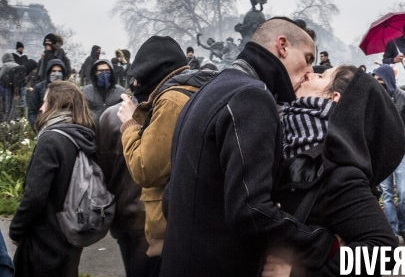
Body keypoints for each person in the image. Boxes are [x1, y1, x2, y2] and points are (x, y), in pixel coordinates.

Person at [161, 18, 337, 276]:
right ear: (283, 46)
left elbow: (170, 197)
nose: (311, 71)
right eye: (308, 58)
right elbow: (251, 211)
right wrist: (323, 244)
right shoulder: (252, 96)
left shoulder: (209, 90)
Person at [264, 66, 403, 276]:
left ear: (334, 97)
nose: (309, 73)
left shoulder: (338, 169)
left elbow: (384, 250)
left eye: (321, 76)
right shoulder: (286, 139)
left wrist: (299, 274)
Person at [118, 36, 216, 263]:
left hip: (172, 231)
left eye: (137, 79)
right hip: (185, 226)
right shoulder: (190, 91)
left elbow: (146, 169)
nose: (134, 86)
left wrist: (129, 125)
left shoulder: (171, 100)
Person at [9, 81, 96, 277]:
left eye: (45, 101)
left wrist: (16, 230)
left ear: (57, 104)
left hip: (43, 241)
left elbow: (34, 196)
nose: (41, 107)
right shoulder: (82, 137)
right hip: (71, 234)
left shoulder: (51, 139)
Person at [96, 102, 158, 276]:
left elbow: (102, 169)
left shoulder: (110, 115)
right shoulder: (165, 112)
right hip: (152, 213)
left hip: (123, 213)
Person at [372, 64, 405, 245]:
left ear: (388, 79)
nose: (378, 83)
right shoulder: (376, 100)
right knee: (387, 194)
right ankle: (393, 231)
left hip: (402, 154)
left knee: (403, 194)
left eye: (381, 79)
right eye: (375, 79)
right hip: (382, 155)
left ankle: (404, 227)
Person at [82, 59, 125, 127]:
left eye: (107, 70)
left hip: (113, 129)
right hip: (92, 129)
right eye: (101, 70)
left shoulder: (120, 91)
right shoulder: (86, 91)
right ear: (95, 72)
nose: (104, 73)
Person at [27, 59, 68, 132]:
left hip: (63, 127)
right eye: (53, 71)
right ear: (49, 72)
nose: (57, 74)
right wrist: (36, 127)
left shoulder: (68, 89)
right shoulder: (39, 88)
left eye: (60, 71)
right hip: (44, 126)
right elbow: (32, 111)